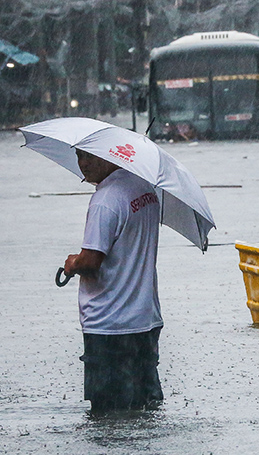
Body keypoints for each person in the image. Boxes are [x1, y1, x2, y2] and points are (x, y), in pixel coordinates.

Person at [62, 149, 164, 412]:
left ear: (111, 156)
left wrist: (73, 262)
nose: (83, 164)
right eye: (79, 156)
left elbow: (91, 262)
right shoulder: (145, 190)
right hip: (145, 320)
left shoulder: (105, 200)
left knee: (107, 417)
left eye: (90, 157)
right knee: (144, 410)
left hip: (109, 327)